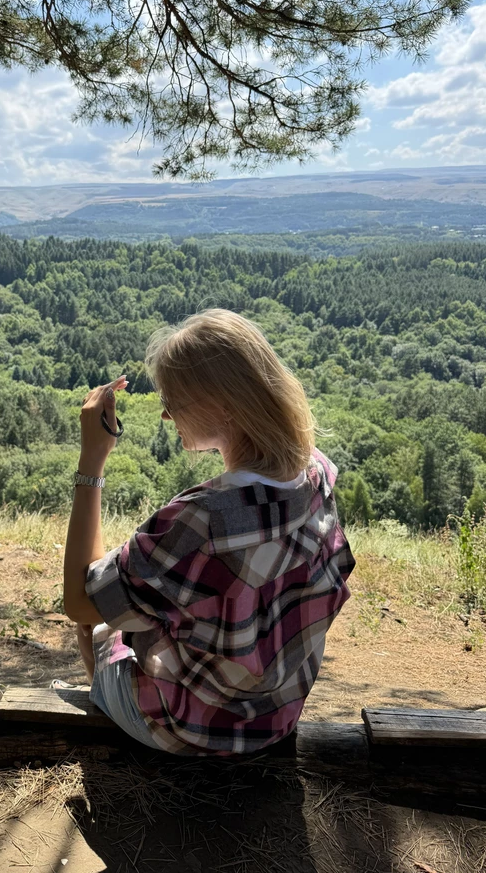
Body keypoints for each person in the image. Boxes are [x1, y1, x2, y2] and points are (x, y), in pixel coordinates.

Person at [63, 308, 354, 755]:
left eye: (174, 400)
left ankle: (109, 719)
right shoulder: (317, 473)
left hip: (195, 733)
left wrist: (92, 459)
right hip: (276, 715)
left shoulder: (201, 520)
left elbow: (80, 602)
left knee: (102, 622)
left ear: (222, 405)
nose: (164, 414)